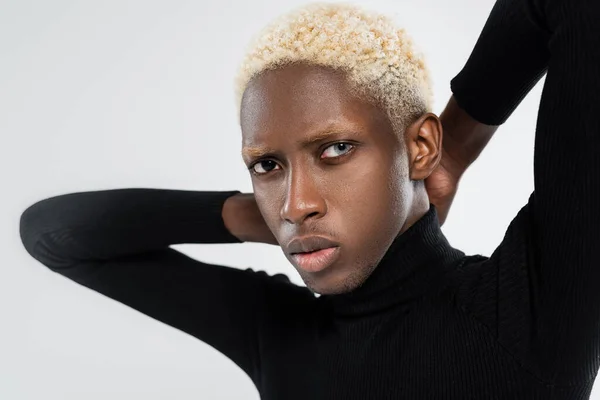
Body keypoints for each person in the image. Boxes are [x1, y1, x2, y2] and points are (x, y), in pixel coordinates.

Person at [18, 0, 600, 398]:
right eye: (267, 166)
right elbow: (51, 235)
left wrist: (457, 147)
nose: (295, 203)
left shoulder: (532, 314)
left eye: (335, 149)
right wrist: (246, 216)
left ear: (418, 145)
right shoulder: (278, 333)